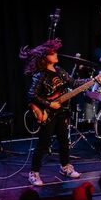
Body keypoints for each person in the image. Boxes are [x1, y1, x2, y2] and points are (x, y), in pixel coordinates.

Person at [20, 39, 83, 187]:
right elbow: (32, 95)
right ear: (45, 57)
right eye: (52, 53)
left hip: (62, 112)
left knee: (64, 141)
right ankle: (34, 173)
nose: (56, 55)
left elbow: (74, 84)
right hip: (47, 112)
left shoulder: (60, 71)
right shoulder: (41, 74)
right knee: (43, 144)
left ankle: (65, 167)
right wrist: (49, 104)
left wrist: (95, 79)